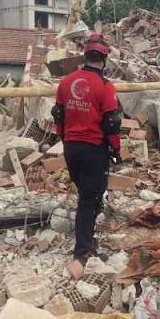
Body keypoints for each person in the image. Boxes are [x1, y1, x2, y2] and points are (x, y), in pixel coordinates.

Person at [53, 33, 122, 280]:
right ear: (104, 58)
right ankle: (82, 253)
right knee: (88, 200)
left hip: (71, 148)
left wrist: (66, 141)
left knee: (87, 195)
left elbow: (58, 117)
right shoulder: (105, 87)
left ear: (85, 55)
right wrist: (117, 150)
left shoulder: (65, 82)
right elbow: (111, 124)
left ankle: (88, 240)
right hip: (94, 149)